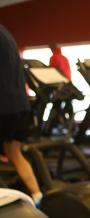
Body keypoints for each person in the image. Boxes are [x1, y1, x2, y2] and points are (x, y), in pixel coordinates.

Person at [0, 24, 42, 205]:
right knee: (15, 155)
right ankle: (38, 197)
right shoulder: (5, 32)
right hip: (20, 105)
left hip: (3, 107)